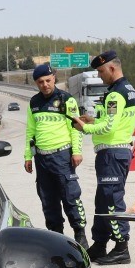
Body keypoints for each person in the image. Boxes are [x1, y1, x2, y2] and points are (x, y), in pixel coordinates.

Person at [76, 50, 135, 265]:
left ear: (112, 68)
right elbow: (115, 121)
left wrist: (85, 127)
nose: (100, 76)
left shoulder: (115, 94)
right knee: (102, 200)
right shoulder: (128, 89)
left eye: (102, 71)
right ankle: (100, 244)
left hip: (112, 152)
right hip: (116, 152)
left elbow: (110, 126)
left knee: (111, 200)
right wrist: (92, 120)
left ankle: (122, 246)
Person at [23, 63, 89, 248]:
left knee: (70, 197)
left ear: (54, 79)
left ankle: (80, 235)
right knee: (48, 201)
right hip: (42, 160)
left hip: (62, 157)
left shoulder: (66, 99)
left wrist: (76, 152)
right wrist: (28, 156)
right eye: (40, 82)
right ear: (36, 83)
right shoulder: (34, 103)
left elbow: (75, 129)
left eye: (48, 80)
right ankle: (57, 240)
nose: (45, 85)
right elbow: (30, 131)